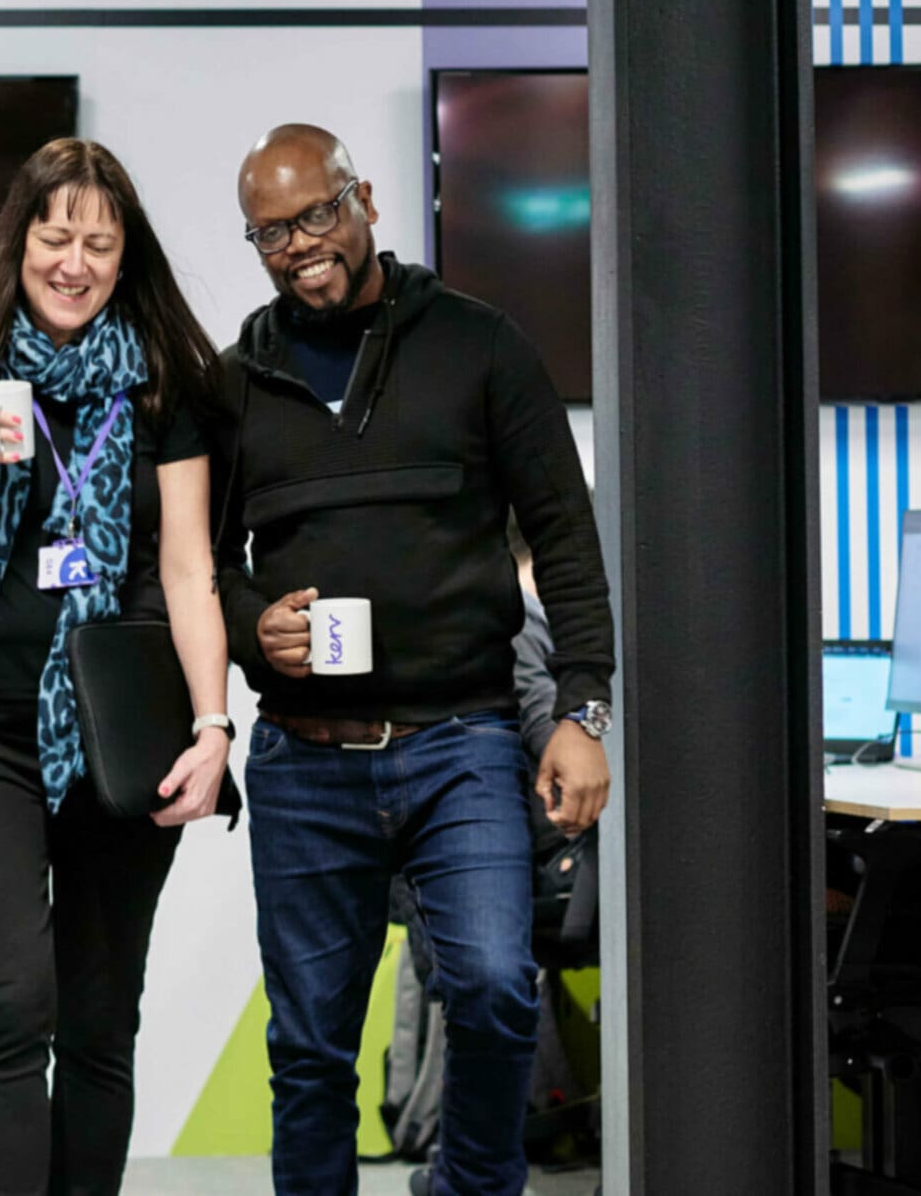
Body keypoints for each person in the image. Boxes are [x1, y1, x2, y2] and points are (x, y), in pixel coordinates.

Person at [210, 124, 615, 1196]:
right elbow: (197, 570)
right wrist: (256, 625)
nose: (298, 245)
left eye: (315, 214)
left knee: (492, 989)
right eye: (269, 232)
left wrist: (586, 711)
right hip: (303, 760)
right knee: (307, 1047)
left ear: (366, 200)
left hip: (462, 742)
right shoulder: (234, 380)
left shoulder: (478, 344)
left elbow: (565, 537)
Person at [0, 138, 234, 1196]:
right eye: (56, 235)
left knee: (100, 1019)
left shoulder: (163, 384)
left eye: (100, 241)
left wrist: (212, 729)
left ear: (125, 253)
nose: (75, 261)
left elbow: (188, 571)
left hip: (118, 735)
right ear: (19, 240)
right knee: (9, 1000)